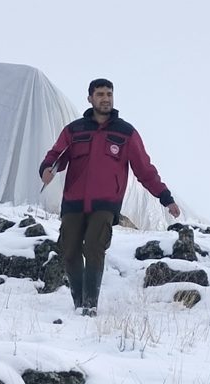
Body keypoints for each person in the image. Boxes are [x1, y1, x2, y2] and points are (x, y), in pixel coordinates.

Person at [40, 78, 180, 316]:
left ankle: (90, 305)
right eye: (100, 94)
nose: (105, 98)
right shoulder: (74, 130)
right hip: (73, 201)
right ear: (90, 99)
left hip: (105, 203)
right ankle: (78, 302)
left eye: (109, 94)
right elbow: (57, 155)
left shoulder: (125, 133)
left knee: (94, 246)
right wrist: (47, 168)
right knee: (70, 250)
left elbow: (144, 170)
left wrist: (165, 197)